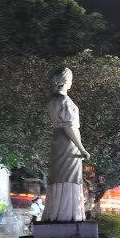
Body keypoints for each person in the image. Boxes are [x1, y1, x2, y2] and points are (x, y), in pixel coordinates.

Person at [43, 67, 90, 222]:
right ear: (66, 81)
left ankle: (55, 212)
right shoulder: (64, 100)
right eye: (71, 79)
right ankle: (69, 215)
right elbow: (69, 127)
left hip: (58, 142)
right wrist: (82, 148)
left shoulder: (53, 100)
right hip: (68, 143)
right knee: (70, 177)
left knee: (59, 176)